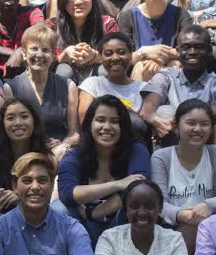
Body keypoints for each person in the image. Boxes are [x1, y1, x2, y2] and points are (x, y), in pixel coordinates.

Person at [57, 95, 150, 245]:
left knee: (137, 201)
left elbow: (138, 188)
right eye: (100, 120)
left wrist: (93, 213)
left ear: (123, 126)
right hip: (84, 228)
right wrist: (118, 184)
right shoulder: (75, 154)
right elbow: (67, 193)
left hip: (121, 224)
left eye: (114, 121)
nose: (107, 126)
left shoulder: (136, 150)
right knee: (58, 209)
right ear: (89, 124)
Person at [151, 100, 216, 255]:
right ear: (176, 127)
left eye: (204, 124)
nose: (198, 129)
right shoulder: (161, 157)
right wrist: (182, 214)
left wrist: (208, 205)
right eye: (191, 123)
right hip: (171, 228)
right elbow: (158, 204)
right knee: (190, 229)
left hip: (213, 226)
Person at [139, 25, 216, 145]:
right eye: (186, 47)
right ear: (178, 51)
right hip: (170, 144)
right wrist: (157, 121)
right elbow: (148, 108)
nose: (192, 52)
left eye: (199, 47)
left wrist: (183, 121)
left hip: (202, 144)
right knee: (164, 112)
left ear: (209, 51)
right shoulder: (166, 76)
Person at [4, 24, 80, 160]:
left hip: (59, 155)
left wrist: (61, 146)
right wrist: (39, 148)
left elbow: (74, 134)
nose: (39, 55)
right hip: (23, 155)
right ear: (24, 54)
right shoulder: (11, 87)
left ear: (53, 55)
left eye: (45, 50)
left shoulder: (68, 86)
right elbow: (9, 132)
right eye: (34, 49)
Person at [0, 98, 52, 227]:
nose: (18, 123)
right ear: (2, 124)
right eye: (10, 118)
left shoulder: (48, 159)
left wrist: (22, 201)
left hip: (38, 219)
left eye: (24, 116)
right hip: (5, 222)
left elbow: (51, 202)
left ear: (34, 121)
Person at [115, 0, 189, 82]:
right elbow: (122, 57)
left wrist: (161, 55)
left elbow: (190, 50)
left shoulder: (180, 14)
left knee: (175, 65)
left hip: (171, 69)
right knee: (140, 67)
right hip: (140, 73)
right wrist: (145, 53)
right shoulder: (127, 17)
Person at [77, 32, 150, 144]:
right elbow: (85, 122)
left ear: (131, 55)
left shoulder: (144, 88)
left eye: (121, 52)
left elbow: (142, 127)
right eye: (108, 53)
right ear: (101, 58)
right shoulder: (92, 84)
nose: (115, 58)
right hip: (98, 145)